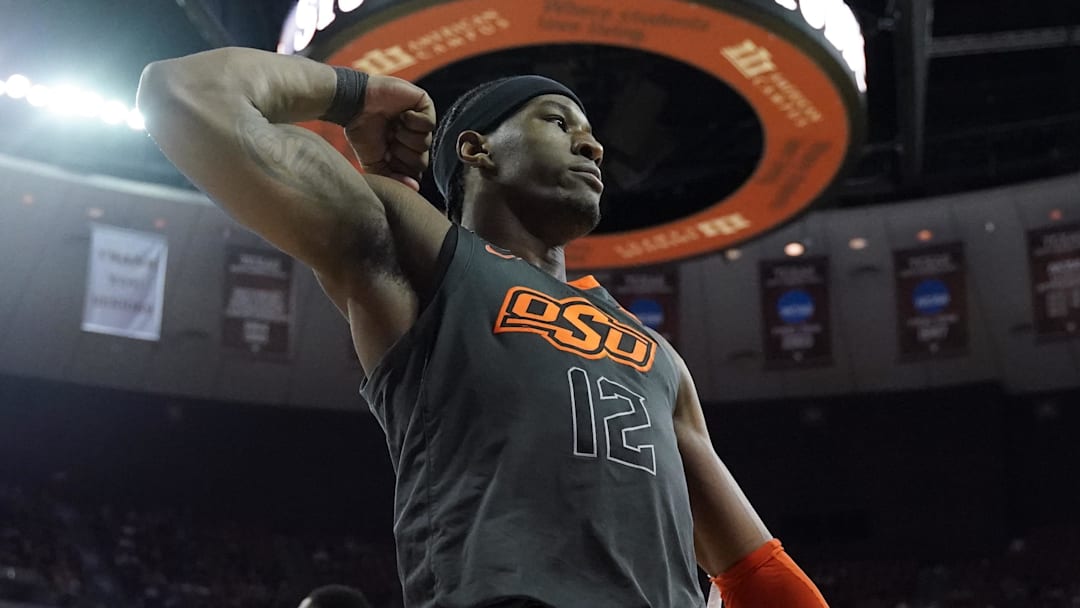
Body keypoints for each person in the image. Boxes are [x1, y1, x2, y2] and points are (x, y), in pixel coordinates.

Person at [137, 47, 828, 608]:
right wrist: (353, 93)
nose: (592, 146)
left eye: (590, 134)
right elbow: (183, 92)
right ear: (477, 149)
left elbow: (754, 569)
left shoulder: (657, 355)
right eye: (559, 122)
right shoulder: (420, 248)